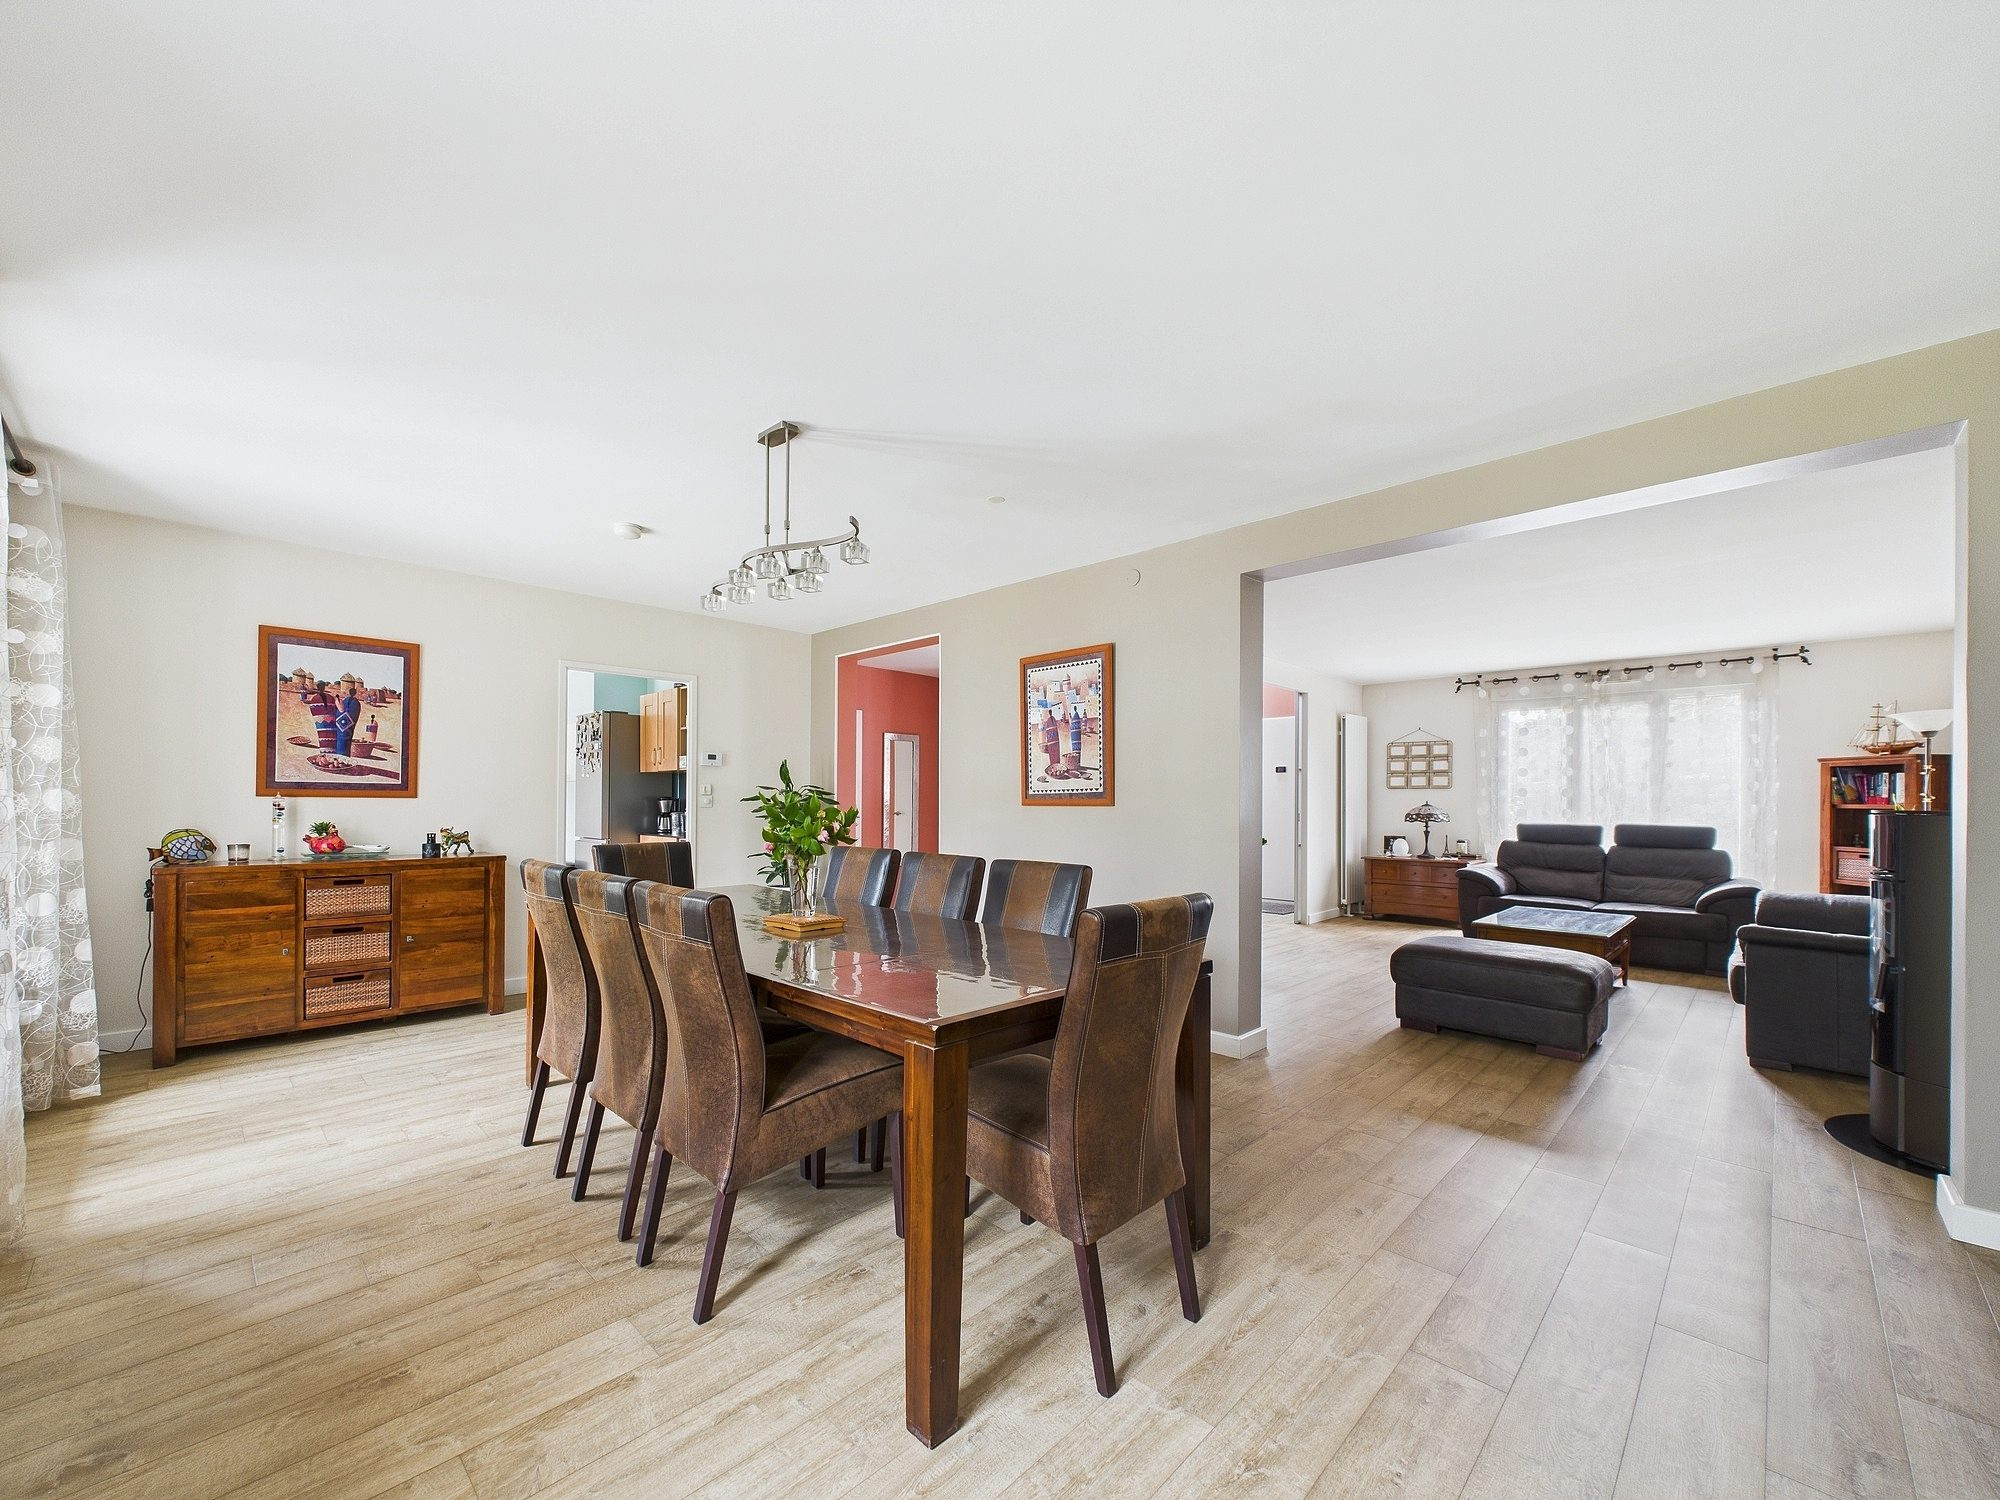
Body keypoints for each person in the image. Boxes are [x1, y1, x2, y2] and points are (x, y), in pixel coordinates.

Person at [334, 685, 361, 757]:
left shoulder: (354, 703)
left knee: (344, 741)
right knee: (342, 741)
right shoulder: (352, 702)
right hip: (344, 726)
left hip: (346, 726)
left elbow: (353, 714)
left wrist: (341, 712)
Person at [1042, 705, 1062, 777]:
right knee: (1055, 753)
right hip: (1054, 741)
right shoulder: (1052, 720)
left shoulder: (1050, 720)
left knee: (1053, 753)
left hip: (1052, 741)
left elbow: (1048, 731)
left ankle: (1055, 766)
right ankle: (1055, 767)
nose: (1050, 713)